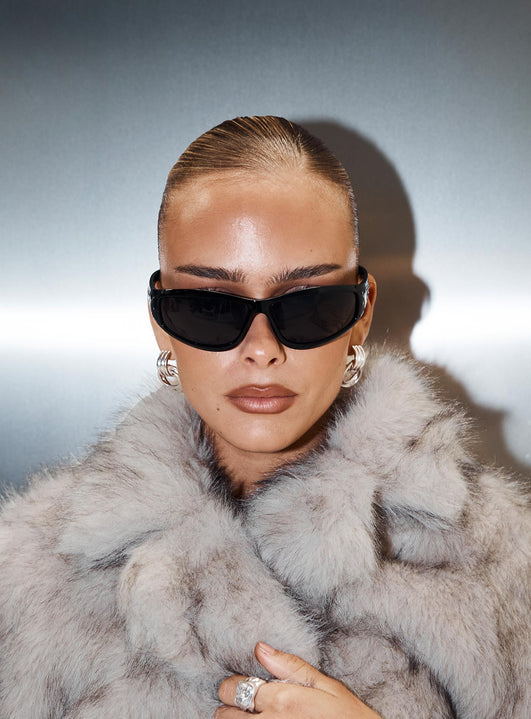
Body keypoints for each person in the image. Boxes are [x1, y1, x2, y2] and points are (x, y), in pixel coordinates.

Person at [0, 116, 529, 719]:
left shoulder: (503, 564)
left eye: (309, 304)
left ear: (360, 315)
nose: (262, 349)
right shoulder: (27, 573)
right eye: (208, 307)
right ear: (161, 323)